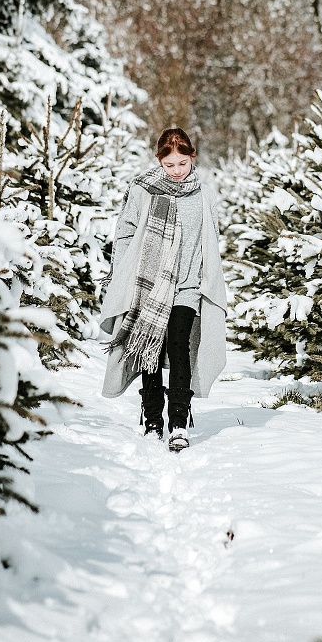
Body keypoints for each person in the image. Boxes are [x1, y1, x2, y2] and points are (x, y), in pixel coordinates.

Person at [99, 127, 227, 452]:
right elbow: (125, 233)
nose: (177, 170)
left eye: (183, 163)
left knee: (179, 346)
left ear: (192, 157)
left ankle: (179, 423)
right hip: (149, 284)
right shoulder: (143, 190)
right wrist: (122, 274)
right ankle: (153, 418)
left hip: (187, 285)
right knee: (151, 350)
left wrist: (206, 279)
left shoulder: (204, 194)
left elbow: (210, 239)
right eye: (169, 164)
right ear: (159, 160)